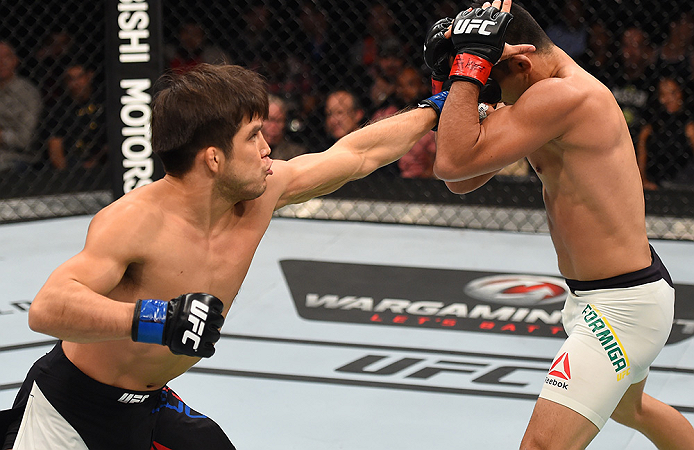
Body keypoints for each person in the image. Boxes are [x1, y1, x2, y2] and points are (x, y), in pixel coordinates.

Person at [0, 63, 445, 450]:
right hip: (69, 409)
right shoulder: (135, 220)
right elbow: (48, 308)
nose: (268, 146)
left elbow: (357, 153)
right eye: (253, 136)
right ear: (213, 158)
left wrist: (441, 105)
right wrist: (158, 317)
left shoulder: (263, 191)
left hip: (148, 404)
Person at [431, 0, 694, 449]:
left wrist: (465, 70)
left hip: (621, 307)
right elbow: (463, 180)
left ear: (522, 65)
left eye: (492, 82)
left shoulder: (561, 97)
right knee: (632, 409)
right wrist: (454, 72)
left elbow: (451, 161)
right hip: (604, 293)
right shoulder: (538, 94)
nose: (490, 95)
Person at [637, 76, 694, 190]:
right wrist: (642, 180)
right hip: (655, 179)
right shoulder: (653, 122)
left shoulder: (689, 122)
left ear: (680, 93)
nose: (668, 99)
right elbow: (641, 147)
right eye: (663, 94)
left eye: (672, 93)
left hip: (683, 180)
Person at [46, 64, 106, 171]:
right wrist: (66, 173)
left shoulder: (104, 99)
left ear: (89, 76)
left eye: (80, 77)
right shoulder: (59, 108)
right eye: (71, 79)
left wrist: (97, 159)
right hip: (72, 160)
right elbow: (55, 146)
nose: (76, 83)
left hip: (104, 157)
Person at [0, 41, 42, 172]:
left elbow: (24, 140)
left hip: (16, 158)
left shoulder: (27, 93)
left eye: (5, 57)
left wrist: (1, 136)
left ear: (15, 61)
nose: (1, 62)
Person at [261, 94, 307, 161]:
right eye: (269, 120)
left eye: (279, 121)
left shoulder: (296, 154)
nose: (273, 126)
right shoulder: (250, 150)